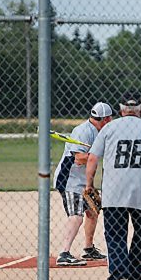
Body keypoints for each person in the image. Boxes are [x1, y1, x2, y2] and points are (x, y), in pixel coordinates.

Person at [85, 92, 141, 280]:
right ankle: (137, 276)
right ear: (140, 109)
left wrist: (88, 184)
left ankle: (118, 278)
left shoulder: (109, 128)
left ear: (121, 109)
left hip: (114, 190)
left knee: (115, 234)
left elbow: (92, 159)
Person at [53, 102, 113, 266]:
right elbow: (79, 159)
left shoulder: (99, 132)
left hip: (83, 181)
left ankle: (88, 249)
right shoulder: (82, 131)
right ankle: (64, 253)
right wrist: (96, 154)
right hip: (69, 180)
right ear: (106, 119)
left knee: (93, 212)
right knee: (76, 216)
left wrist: (90, 183)